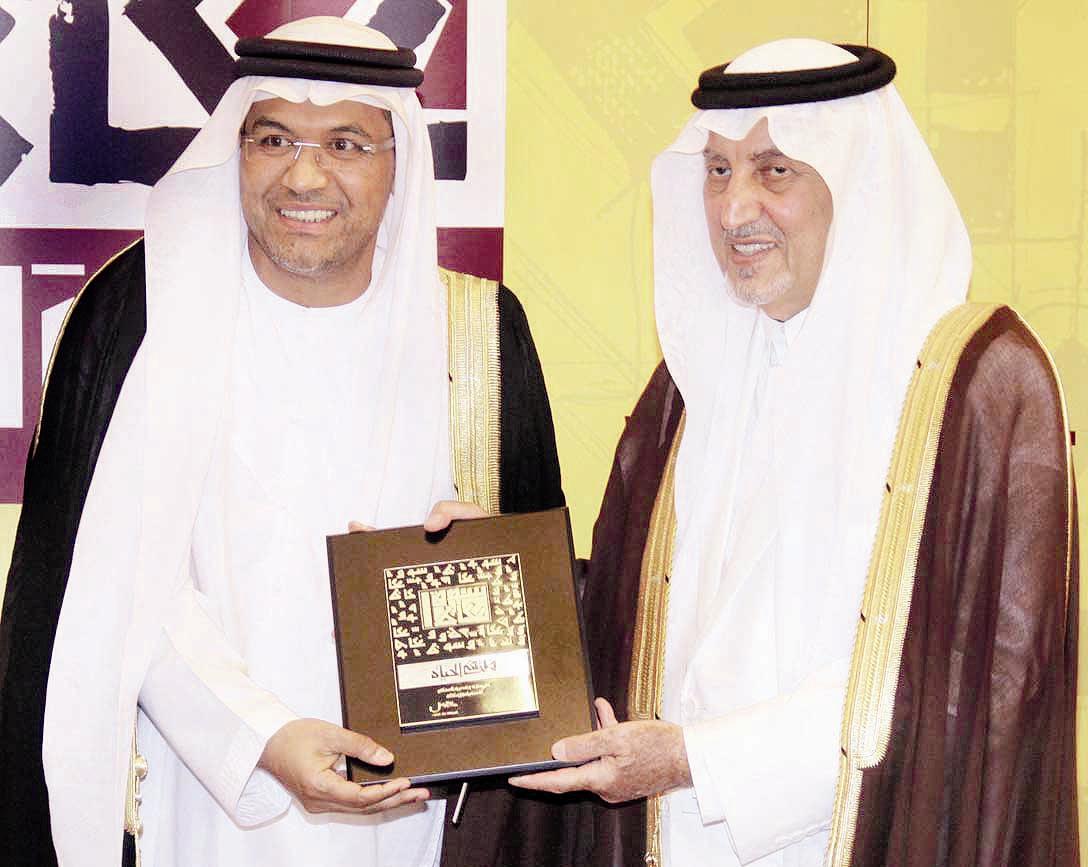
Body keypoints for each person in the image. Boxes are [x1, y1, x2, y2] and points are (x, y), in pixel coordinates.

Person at [0, 16, 573, 867]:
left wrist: (493, 572)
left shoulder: (478, 335)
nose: (305, 175)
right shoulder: (139, 316)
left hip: (415, 830)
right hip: (193, 809)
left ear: (399, 162)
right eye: (273, 139)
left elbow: (547, 653)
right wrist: (260, 737)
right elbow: (107, 580)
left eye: (346, 143)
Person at [511, 38, 1078, 866]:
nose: (732, 208)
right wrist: (499, 577)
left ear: (855, 184)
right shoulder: (693, 379)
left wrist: (698, 759)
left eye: (774, 170)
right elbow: (634, 613)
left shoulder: (977, 386)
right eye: (717, 171)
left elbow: (975, 682)